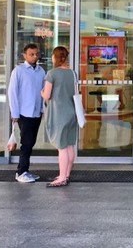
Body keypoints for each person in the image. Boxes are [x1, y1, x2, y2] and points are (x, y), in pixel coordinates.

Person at [8, 43, 45, 184]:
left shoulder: (41, 71)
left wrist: (42, 109)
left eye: (36, 54)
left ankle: (25, 170)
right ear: (25, 55)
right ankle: (21, 172)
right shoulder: (18, 71)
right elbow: (12, 92)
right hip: (24, 113)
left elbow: (43, 92)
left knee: (31, 142)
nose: (35, 56)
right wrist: (15, 112)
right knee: (26, 143)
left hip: (36, 113)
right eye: (31, 54)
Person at [41, 46, 77, 188]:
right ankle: (66, 174)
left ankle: (61, 177)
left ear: (55, 57)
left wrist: (41, 92)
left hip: (59, 114)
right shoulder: (72, 73)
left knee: (61, 148)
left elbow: (47, 95)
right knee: (69, 145)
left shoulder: (52, 74)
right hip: (72, 112)